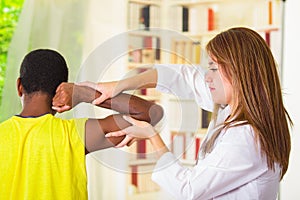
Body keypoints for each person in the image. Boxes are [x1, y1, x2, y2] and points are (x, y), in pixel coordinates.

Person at [81, 27, 293, 199]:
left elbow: (189, 190)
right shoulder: (231, 109)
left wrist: (151, 136)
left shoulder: (246, 137)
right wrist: (120, 85)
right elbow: (180, 76)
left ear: (241, 72)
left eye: (214, 68)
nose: (207, 77)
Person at [0, 49, 163, 199]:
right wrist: (84, 94)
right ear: (62, 89)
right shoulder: (75, 134)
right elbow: (151, 113)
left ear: (19, 86)